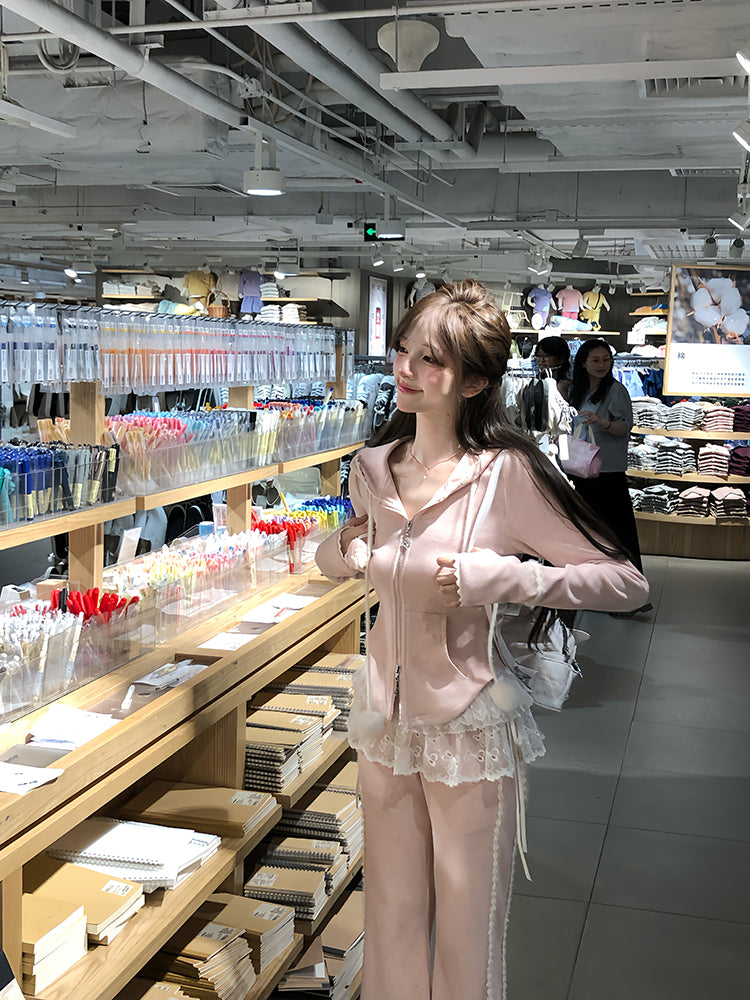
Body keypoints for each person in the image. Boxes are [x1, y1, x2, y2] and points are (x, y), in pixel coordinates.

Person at [315, 281, 648, 1000]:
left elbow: (624, 582)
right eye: (403, 349)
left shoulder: (506, 473)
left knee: (469, 931)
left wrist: (503, 577)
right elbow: (344, 554)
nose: (405, 368)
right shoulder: (374, 468)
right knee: (391, 918)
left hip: (467, 724)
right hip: (382, 724)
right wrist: (344, 551)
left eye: (430, 359)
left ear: (473, 382)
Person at [568, 339, 651, 603]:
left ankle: (631, 591)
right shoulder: (575, 391)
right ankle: (594, 587)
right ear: (583, 363)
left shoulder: (616, 391)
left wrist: (601, 422)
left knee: (618, 531)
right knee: (586, 530)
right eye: (595, 360)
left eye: (606, 360)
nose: (601, 365)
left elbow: (624, 429)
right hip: (580, 469)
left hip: (608, 471)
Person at [534, 334, 572, 399]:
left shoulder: (569, 386)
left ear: (561, 358)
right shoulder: (534, 382)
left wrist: (562, 392)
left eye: (546, 356)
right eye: (538, 356)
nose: (541, 360)